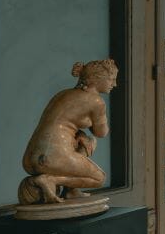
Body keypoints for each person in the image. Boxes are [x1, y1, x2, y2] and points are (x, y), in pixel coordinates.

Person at [19, 58, 118, 204]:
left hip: (30, 158)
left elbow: (62, 123)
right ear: (97, 79)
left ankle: (71, 191)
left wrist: (80, 134)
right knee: (99, 178)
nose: (114, 84)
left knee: (87, 141)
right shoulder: (96, 101)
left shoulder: (63, 94)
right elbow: (101, 132)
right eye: (111, 79)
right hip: (53, 157)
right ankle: (49, 180)